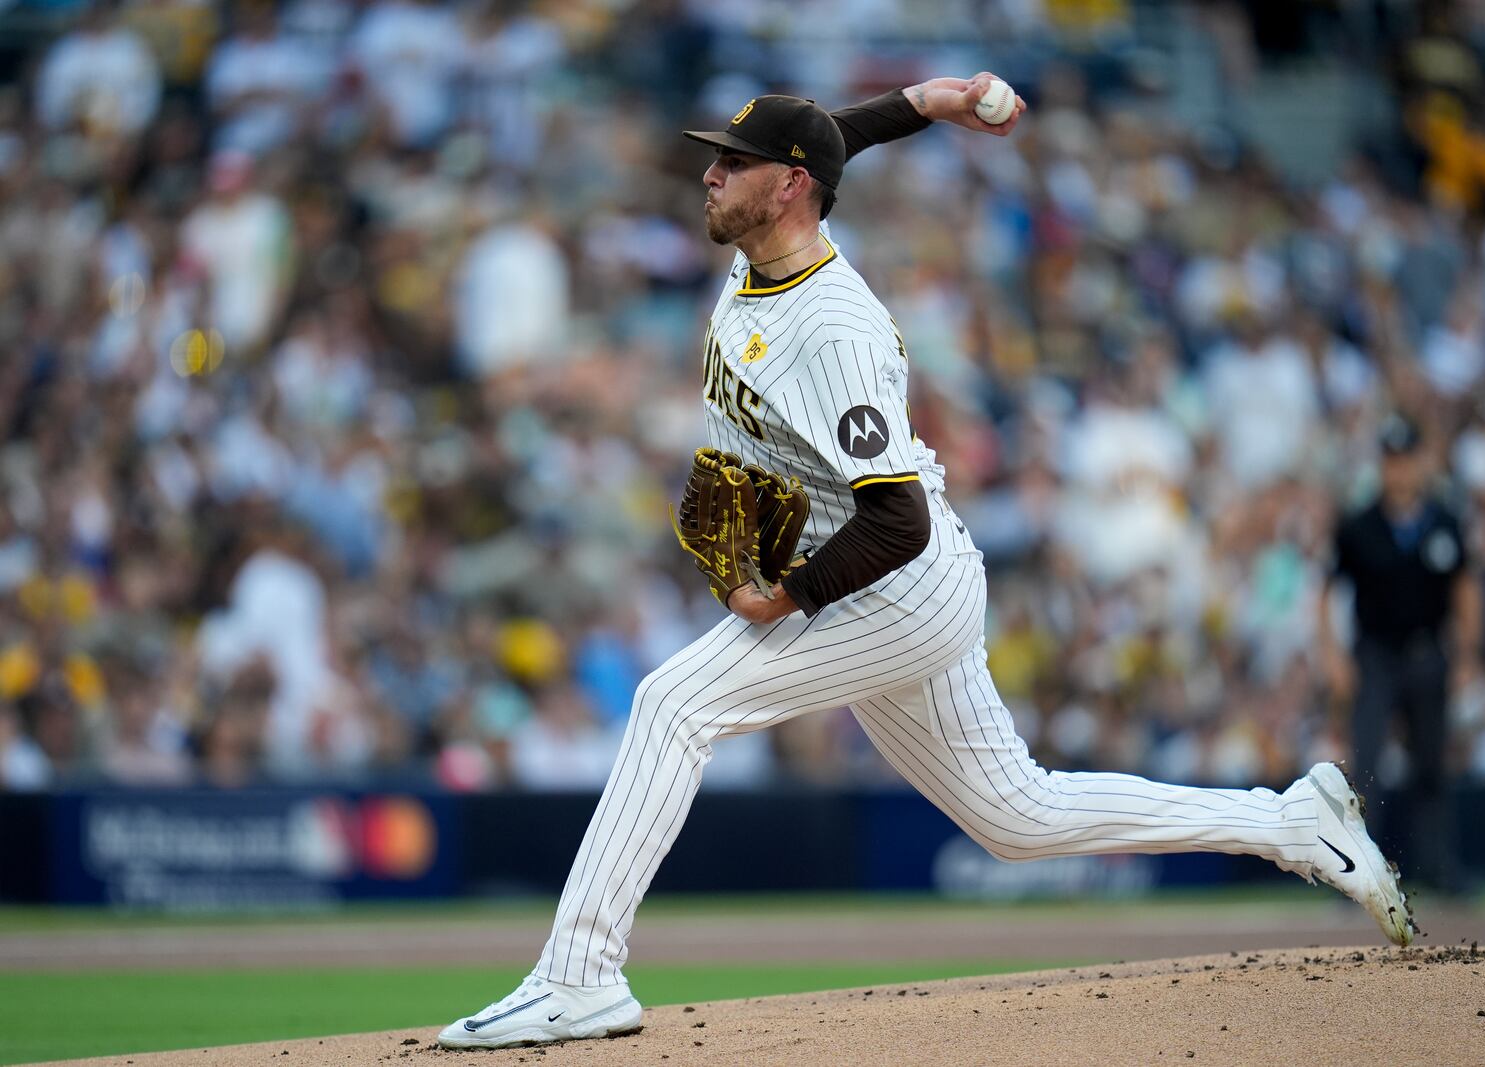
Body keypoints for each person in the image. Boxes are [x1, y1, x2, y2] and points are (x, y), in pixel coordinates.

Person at [438, 75, 1416, 1051]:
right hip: (907, 578)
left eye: (730, 163)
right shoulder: (777, 230)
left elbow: (895, 518)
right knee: (1017, 815)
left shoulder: (832, 332)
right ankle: (1291, 820)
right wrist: (920, 103)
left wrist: (787, 595)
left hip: (893, 584)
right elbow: (827, 142)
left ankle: (580, 974)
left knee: (673, 702)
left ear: (784, 187)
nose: (708, 173)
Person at [1321, 413, 1482, 892]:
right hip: (1375, 655)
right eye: (1391, 460)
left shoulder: (1445, 521)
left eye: (1406, 459)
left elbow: (1466, 590)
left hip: (1427, 653)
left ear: (1420, 462)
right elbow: (1325, 591)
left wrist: (1468, 655)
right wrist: (1331, 654)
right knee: (1365, 766)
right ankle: (1356, 871)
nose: (1399, 470)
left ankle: (1436, 866)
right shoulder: (1358, 524)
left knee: (1431, 764)